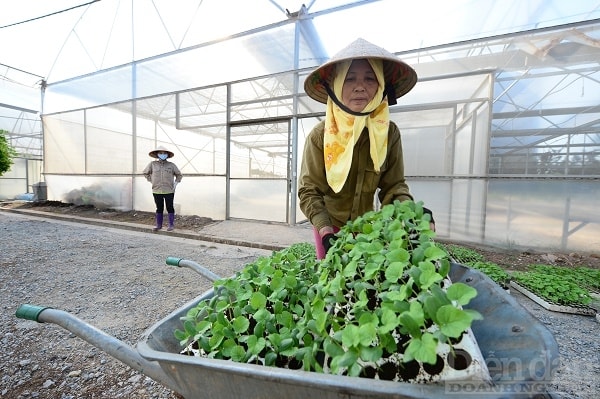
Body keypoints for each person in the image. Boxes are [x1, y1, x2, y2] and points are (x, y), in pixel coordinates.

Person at [299, 38, 435, 259]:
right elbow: (309, 191)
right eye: (350, 78)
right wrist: (325, 231)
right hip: (328, 225)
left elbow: (394, 186)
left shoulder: (389, 133)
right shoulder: (320, 136)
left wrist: (412, 213)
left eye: (370, 79)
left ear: (382, 86)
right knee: (332, 280)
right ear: (335, 85)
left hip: (367, 226)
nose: (360, 86)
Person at [142, 145, 182, 231]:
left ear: (167, 155)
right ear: (157, 154)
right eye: (161, 153)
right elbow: (145, 173)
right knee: (159, 208)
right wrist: (151, 180)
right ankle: (158, 225)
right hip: (156, 190)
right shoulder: (152, 164)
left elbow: (179, 175)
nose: (163, 154)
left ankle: (171, 225)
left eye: (164, 153)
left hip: (169, 190)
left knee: (170, 207)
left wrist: (175, 184)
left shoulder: (171, 165)